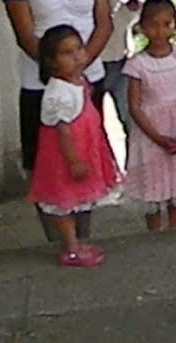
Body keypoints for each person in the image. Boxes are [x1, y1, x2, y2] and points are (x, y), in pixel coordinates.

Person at [3, 0, 113, 175]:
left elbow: (104, 23)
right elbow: (25, 36)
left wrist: (80, 63)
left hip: (88, 76)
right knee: (47, 166)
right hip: (41, 83)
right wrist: (58, 69)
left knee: (88, 158)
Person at [28, 25, 122, 265]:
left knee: (75, 201)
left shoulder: (79, 82)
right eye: (67, 53)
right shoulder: (58, 93)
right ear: (52, 62)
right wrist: (74, 160)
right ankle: (69, 247)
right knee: (64, 202)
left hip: (83, 149)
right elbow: (63, 131)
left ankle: (75, 243)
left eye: (78, 49)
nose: (77, 56)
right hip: (65, 159)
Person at [123, 0, 176, 231]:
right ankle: (155, 233)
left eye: (167, 24)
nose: (160, 30)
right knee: (154, 184)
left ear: (175, 25)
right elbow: (134, 105)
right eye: (153, 24)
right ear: (143, 27)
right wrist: (157, 137)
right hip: (151, 132)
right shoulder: (138, 64)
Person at [92, 0, 141, 156]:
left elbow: (133, 18)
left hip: (121, 60)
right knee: (95, 122)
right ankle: (104, 169)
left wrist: (133, 8)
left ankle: (133, 165)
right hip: (95, 62)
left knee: (129, 116)